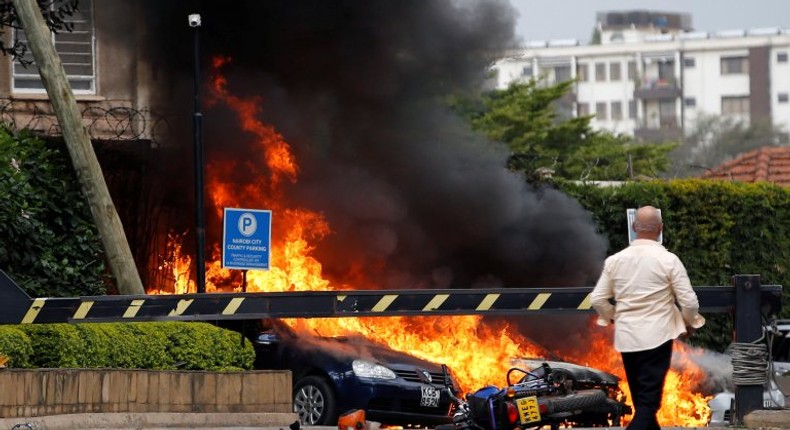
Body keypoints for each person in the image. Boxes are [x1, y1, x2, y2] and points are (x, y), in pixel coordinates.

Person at [590, 206, 705, 430]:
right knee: (647, 407)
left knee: (644, 404)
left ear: (634, 228)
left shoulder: (615, 260)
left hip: (628, 338)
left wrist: (613, 317)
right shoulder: (669, 260)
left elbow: (598, 299)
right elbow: (689, 302)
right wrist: (690, 323)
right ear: (661, 228)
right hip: (658, 337)